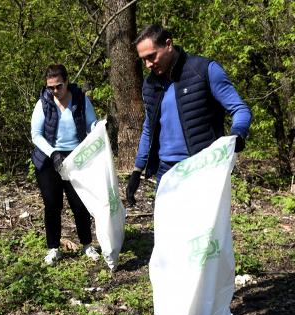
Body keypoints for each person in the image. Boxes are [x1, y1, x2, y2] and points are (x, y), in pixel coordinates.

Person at [126, 24, 252, 203]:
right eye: (143, 59)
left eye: (151, 56)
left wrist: (237, 134)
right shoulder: (150, 84)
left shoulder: (204, 70)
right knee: (168, 230)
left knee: (202, 231)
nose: (148, 64)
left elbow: (240, 109)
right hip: (166, 171)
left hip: (202, 168)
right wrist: (137, 170)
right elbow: (149, 127)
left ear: (168, 44)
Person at [31, 64, 100, 266]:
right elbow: (36, 134)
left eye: (58, 86)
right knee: (52, 204)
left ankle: (87, 244)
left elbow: (91, 124)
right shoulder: (43, 104)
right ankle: (53, 248)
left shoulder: (80, 99)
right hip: (49, 158)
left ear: (67, 81)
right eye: (50, 87)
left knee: (79, 204)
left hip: (76, 158)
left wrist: (99, 127)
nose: (54, 91)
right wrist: (53, 153)